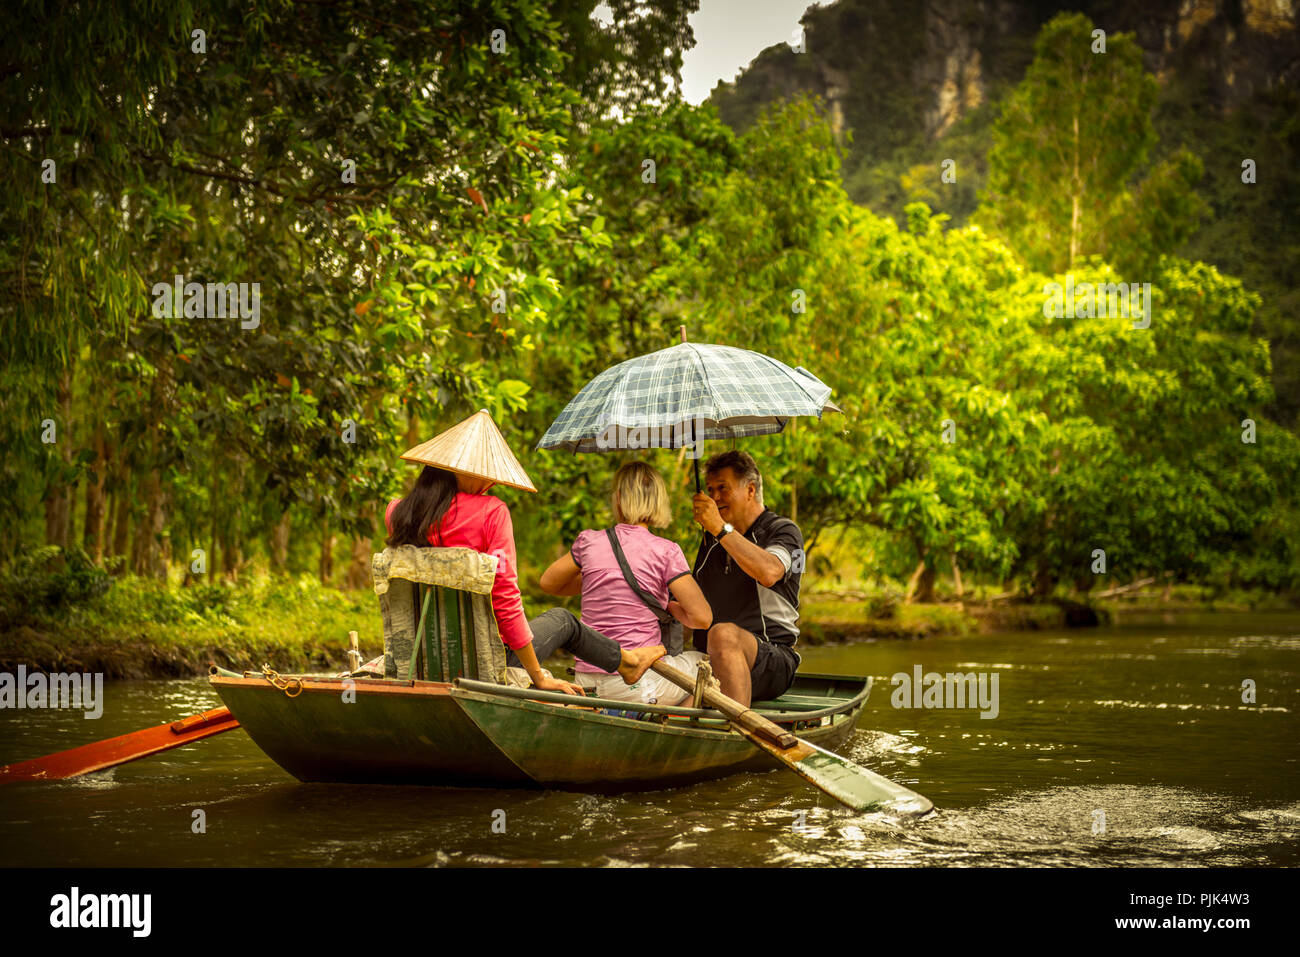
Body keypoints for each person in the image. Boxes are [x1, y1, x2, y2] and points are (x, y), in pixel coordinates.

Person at [385, 410, 664, 696]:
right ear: (459, 469)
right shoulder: (492, 513)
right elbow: (505, 598)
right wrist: (538, 676)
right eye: (483, 473)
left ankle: (627, 660)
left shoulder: (397, 513)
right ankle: (627, 662)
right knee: (563, 619)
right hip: (484, 663)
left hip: (419, 659)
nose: (490, 483)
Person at [538, 461, 713, 705]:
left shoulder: (588, 541)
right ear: (658, 502)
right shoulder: (666, 551)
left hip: (585, 680)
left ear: (618, 499)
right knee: (708, 665)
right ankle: (672, 729)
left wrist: (599, 581)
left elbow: (549, 583)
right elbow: (702, 618)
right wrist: (669, 605)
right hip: (638, 684)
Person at [689, 450, 803, 706]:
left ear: (750, 491)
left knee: (722, 635)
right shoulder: (711, 541)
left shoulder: (784, 530)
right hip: (709, 660)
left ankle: (735, 728)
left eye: (723, 488)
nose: (715, 497)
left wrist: (719, 528)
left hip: (771, 660)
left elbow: (769, 572)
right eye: (710, 489)